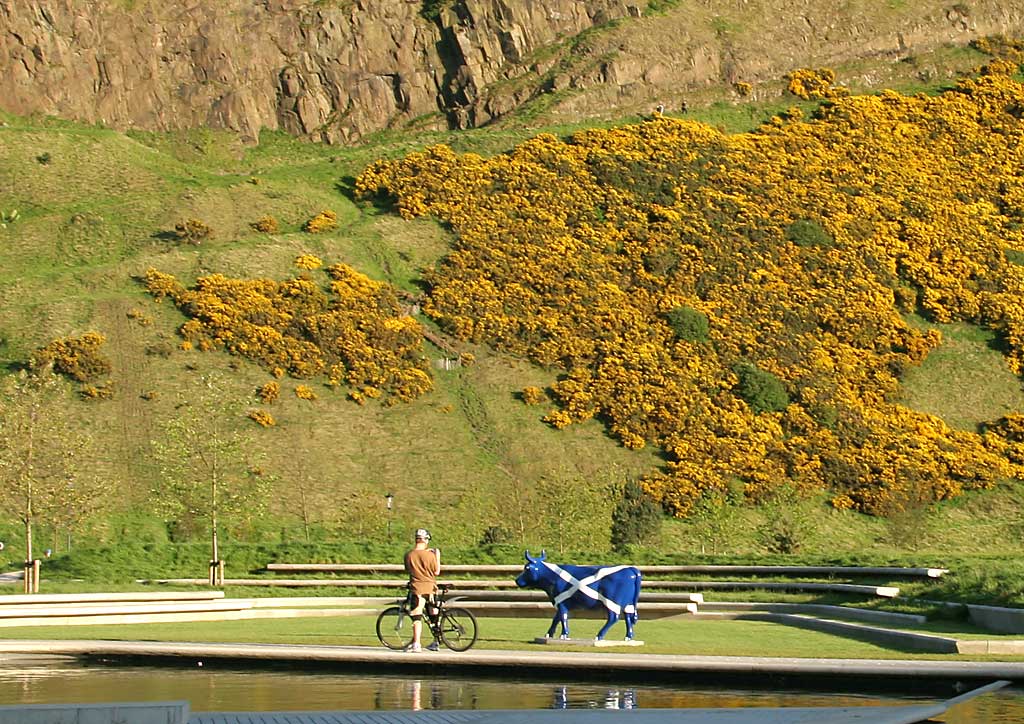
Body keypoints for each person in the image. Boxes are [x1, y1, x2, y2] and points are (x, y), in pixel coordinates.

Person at [404, 528, 441, 652]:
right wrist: (437, 556)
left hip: (417, 588)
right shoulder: (430, 555)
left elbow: (408, 570)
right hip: (431, 588)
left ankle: (416, 643)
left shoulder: (409, 555)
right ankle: (436, 641)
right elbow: (436, 572)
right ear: (426, 540)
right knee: (433, 615)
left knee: (417, 617)